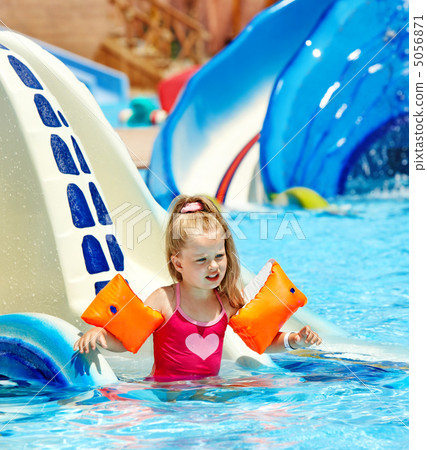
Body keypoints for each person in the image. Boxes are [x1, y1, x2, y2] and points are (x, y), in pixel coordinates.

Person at [74, 195, 322, 381]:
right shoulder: (164, 300)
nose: (213, 266)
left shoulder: (227, 303)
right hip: (165, 394)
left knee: (267, 391)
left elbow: (261, 342)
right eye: (201, 260)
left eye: (219, 256)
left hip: (210, 391)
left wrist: (295, 341)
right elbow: (127, 339)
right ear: (178, 262)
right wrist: (101, 337)